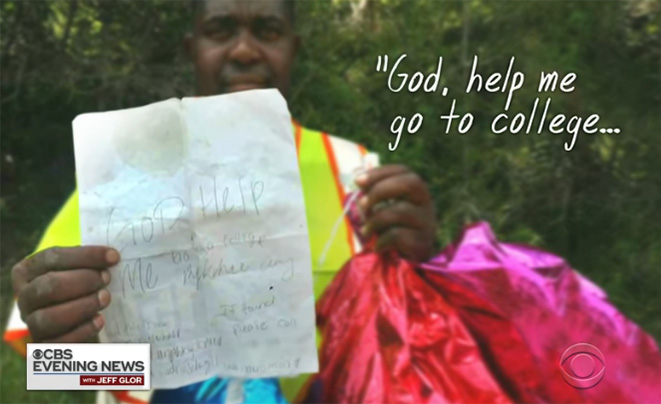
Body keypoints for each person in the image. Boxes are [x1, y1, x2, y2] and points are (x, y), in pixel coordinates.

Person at [5, 1, 437, 403]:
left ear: (293, 47)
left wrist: (428, 275)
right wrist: (176, 378)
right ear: (193, 48)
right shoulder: (123, 170)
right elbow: (52, 366)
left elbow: (410, 345)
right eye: (221, 30)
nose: (245, 51)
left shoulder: (354, 172)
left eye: (268, 31)